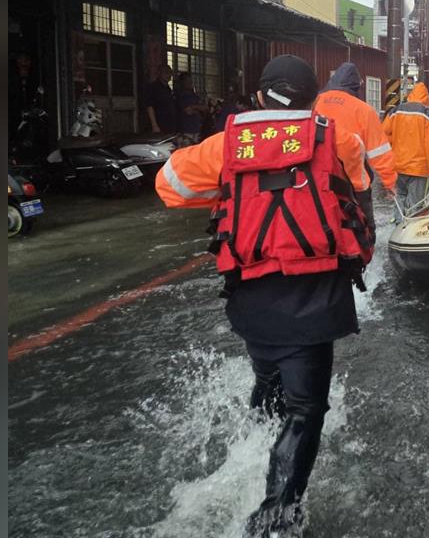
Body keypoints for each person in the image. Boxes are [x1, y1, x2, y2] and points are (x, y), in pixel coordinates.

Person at [155, 55, 373, 538]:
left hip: (251, 293)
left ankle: (254, 443)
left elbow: (167, 187)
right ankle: (276, 517)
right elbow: (357, 186)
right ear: (314, 99)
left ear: (258, 96)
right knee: (306, 410)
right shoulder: (338, 137)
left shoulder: (226, 144)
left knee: (268, 377)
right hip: (316, 293)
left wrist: (232, 186)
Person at [315, 62, 397, 230]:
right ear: (357, 86)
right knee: (363, 232)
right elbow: (379, 153)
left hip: (316, 182)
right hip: (355, 185)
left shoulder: (314, 102)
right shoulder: (364, 110)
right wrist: (391, 184)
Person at [381, 81, 429, 215]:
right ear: (426, 98)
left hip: (398, 166)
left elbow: (383, 134)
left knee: (399, 198)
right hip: (418, 170)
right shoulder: (428, 114)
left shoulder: (396, 111)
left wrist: (394, 146)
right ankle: (411, 229)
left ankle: (397, 226)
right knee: (416, 205)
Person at [144, 62, 177, 134]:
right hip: (159, 124)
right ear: (159, 73)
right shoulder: (153, 87)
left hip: (170, 124)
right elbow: (150, 106)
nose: (168, 75)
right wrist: (154, 125)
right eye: (166, 72)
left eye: (170, 72)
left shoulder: (168, 88)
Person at [175, 71, 204, 144]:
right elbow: (188, 112)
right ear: (183, 82)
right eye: (188, 81)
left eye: (191, 80)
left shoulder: (194, 95)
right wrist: (197, 109)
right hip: (185, 131)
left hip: (196, 129)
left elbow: (204, 108)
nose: (191, 82)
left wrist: (193, 107)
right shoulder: (180, 96)